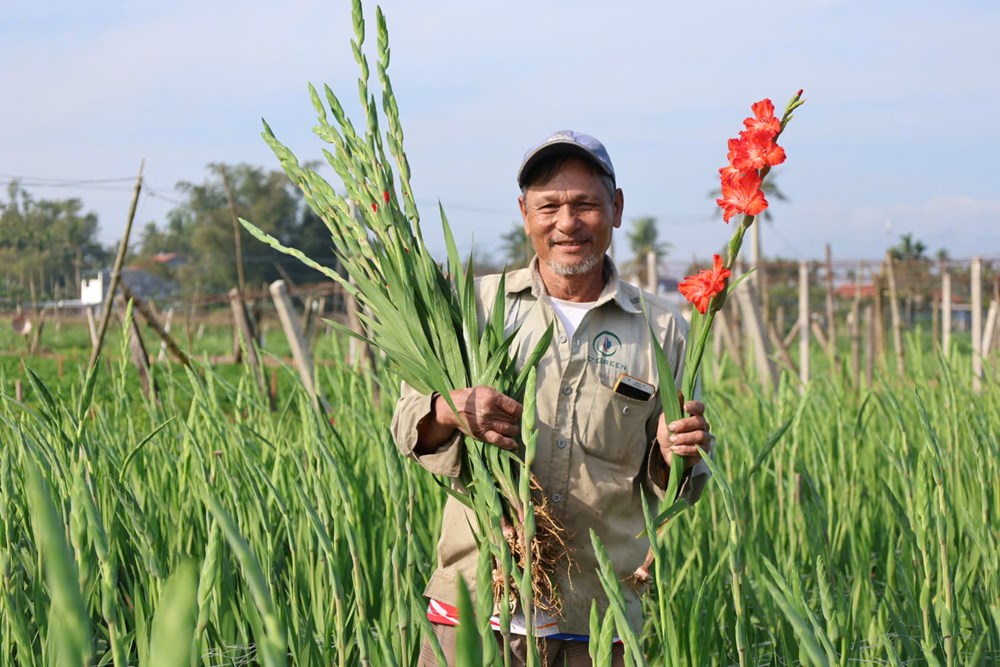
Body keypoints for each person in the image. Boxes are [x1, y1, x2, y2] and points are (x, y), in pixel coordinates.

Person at [392, 130, 714, 666]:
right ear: (525, 213)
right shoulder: (473, 309)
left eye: (585, 204)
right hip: (473, 609)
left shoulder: (662, 330)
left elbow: (681, 485)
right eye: (550, 206)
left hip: (594, 620)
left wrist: (673, 453)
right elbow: (406, 421)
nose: (567, 222)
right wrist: (448, 410)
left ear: (616, 208)